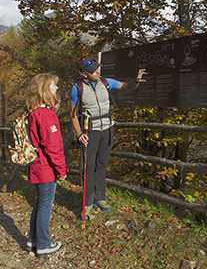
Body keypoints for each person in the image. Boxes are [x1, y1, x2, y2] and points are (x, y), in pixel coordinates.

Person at [70, 56, 146, 221]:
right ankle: (88, 201)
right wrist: (79, 134)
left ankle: (100, 198)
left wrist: (137, 80)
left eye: (97, 68)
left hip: (107, 129)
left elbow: (126, 86)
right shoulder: (78, 88)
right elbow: (73, 115)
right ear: (84, 74)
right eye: (92, 70)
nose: (97, 71)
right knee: (89, 168)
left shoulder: (106, 82)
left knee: (102, 165)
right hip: (90, 131)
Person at [24, 73, 67, 258]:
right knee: (45, 205)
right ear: (44, 89)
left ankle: (33, 239)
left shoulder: (33, 111)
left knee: (40, 202)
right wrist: (62, 170)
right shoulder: (45, 115)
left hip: (36, 165)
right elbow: (53, 146)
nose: (56, 88)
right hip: (46, 167)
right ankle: (43, 244)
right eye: (53, 86)